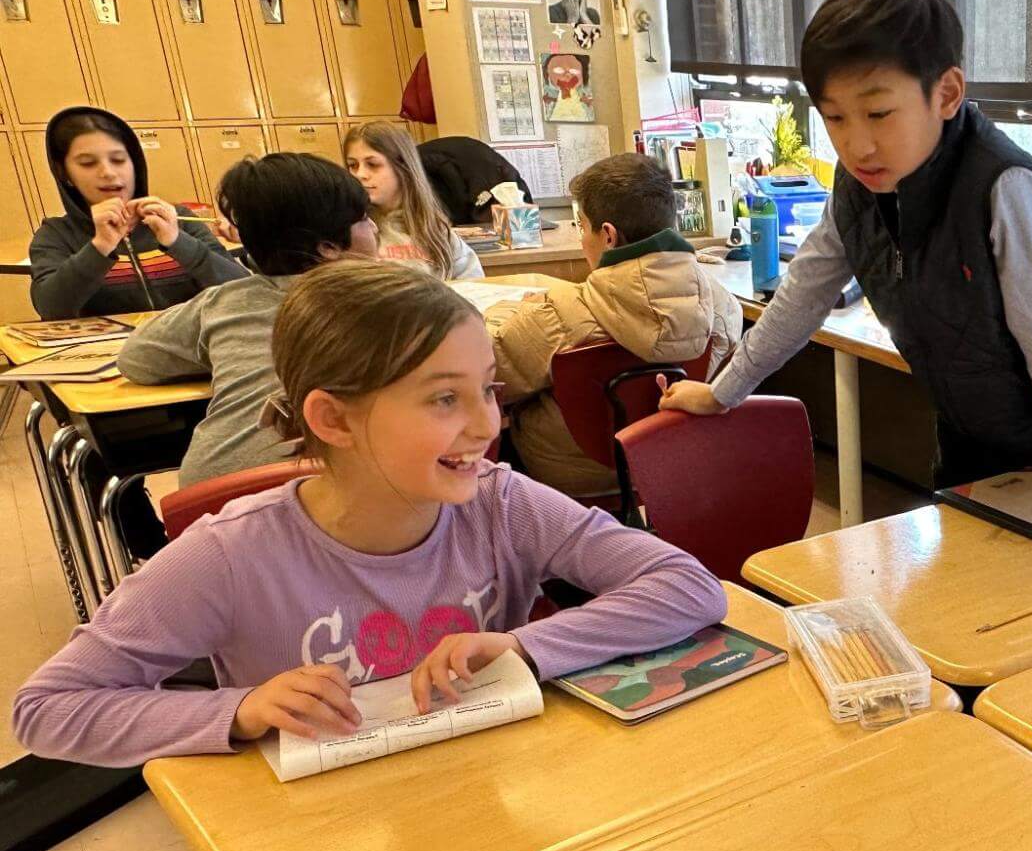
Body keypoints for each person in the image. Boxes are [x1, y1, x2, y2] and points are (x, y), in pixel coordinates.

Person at [12, 260, 729, 768]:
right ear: (333, 418)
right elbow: (47, 710)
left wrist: (523, 647)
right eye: (444, 399)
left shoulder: (501, 501)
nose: (486, 425)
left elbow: (688, 586)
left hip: (492, 797)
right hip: (329, 844)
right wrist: (239, 710)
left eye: (487, 390)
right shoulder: (231, 554)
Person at [658, 0, 1032, 491]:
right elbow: (800, 300)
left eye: (878, 114)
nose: (857, 145)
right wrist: (721, 394)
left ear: (946, 94)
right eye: (835, 118)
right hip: (970, 433)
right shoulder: (858, 188)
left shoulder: (1005, 188)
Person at [486, 153, 740, 498]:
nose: (580, 239)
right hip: (672, 464)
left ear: (608, 235)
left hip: (572, 480)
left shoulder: (558, 315)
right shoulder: (724, 306)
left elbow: (489, 373)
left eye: (580, 226)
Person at [117, 154, 379, 487]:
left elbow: (135, 359)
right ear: (328, 247)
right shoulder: (389, 299)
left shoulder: (225, 302)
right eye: (363, 218)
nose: (373, 227)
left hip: (212, 495)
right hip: (328, 491)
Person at [30, 105, 247, 319]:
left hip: (190, 346)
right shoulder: (56, 234)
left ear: (136, 164)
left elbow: (242, 291)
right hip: (113, 352)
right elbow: (51, 309)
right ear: (64, 173)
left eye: (118, 160)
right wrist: (100, 247)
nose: (108, 172)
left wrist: (177, 241)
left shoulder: (177, 220)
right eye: (87, 163)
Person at [344, 121, 484, 280]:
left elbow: (473, 283)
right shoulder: (351, 233)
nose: (360, 174)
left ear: (403, 168)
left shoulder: (435, 229)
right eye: (353, 165)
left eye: (373, 164)